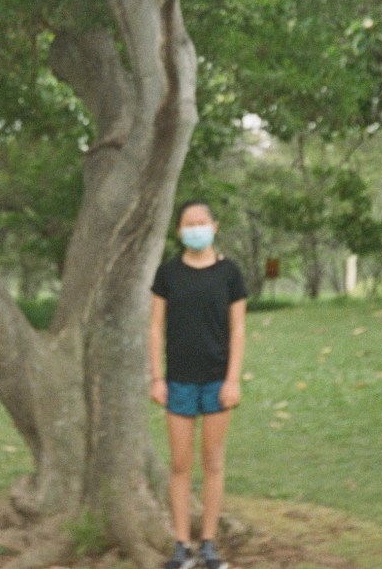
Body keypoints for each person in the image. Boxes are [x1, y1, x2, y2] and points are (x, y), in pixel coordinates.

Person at [149, 200, 248, 569]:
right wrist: (157, 378)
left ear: (214, 226)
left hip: (218, 381)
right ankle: (182, 545)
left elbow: (238, 329)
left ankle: (208, 543)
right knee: (180, 464)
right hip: (178, 381)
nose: (196, 229)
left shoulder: (229, 274)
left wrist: (232, 379)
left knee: (213, 462)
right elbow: (155, 327)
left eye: (201, 222)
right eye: (188, 224)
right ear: (179, 231)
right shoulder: (168, 274)